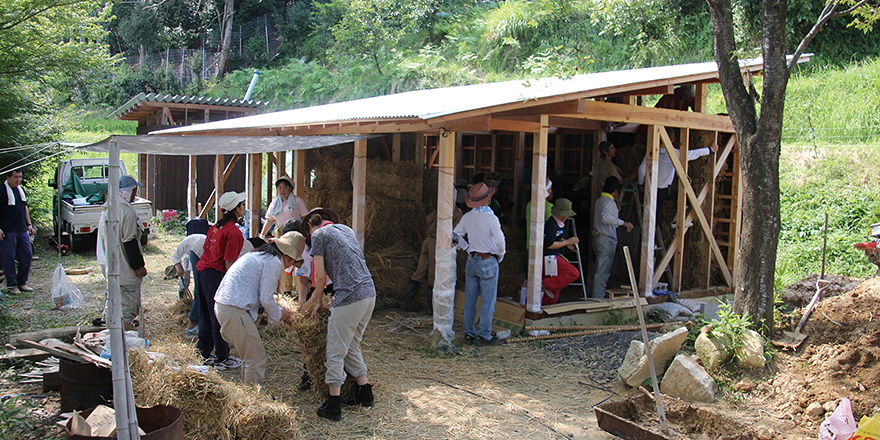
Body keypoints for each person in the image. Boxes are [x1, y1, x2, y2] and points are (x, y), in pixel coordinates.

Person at [302, 209, 377, 422]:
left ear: (309, 227)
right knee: (352, 344)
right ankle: (365, 393)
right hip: (369, 293)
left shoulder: (318, 236)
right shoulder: (345, 229)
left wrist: (317, 302)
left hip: (349, 296)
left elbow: (318, 275)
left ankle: (333, 405)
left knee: (334, 351)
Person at [214, 232, 301, 385]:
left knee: (249, 357)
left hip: (227, 306)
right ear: (288, 255)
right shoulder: (273, 262)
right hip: (234, 308)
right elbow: (266, 298)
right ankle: (253, 400)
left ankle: (249, 394)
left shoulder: (260, 255)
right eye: (292, 262)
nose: (290, 266)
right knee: (255, 357)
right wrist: (283, 315)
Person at [195, 191, 246, 370]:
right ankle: (221, 357)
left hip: (203, 271)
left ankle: (204, 351)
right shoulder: (233, 232)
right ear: (236, 209)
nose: (244, 208)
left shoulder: (216, 226)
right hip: (216, 274)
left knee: (206, 313)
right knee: (219, 315)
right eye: (242, 205)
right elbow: (229, 263)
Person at [168, 233, 254, 338]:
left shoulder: (245, 248)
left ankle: (206, 324)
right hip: (201, 255)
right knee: (201, 292)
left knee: (209, 292)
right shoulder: (191, 242)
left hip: (211, 258)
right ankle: (192, 327)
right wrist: (179, 267)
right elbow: (176, 255)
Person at [453, 182, 506, 347]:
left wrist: (466, 247)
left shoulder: (468, 217)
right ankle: (484, 335)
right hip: (488, 260)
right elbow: (500, 242)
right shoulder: (491, 219)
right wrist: (500, 255)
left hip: (472, 260)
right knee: (488, 301)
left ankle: (469, 334)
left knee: (470, 300)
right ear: (488, 199)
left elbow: (454, 235)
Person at [400, 185, 464, 313]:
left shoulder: (440, 208)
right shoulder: (456, 213)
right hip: (437, 243)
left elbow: (427, 219)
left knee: (420, 271)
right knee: (432, 274)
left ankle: (407, 302)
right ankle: (431, 308)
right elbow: (455, 233)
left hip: (427, 240)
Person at [637, 131, 718, 227]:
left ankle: (649, 241)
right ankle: (676, 220)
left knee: (653, 218)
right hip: (664, 190)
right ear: (673, 140)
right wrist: (710, 149)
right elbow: (693, 154)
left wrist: (641, 183)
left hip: (651, 189)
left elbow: (642, 169)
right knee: (686, 195)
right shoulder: (674, 153)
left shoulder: (651, 152)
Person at [97, 175, 147, 329]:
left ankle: (111, 331)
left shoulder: (110, 209)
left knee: (112, 304)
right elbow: (129, 241)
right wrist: (138, 266)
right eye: (134, 191)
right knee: (127, 307)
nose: (135, 194)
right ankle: (124, 338)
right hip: (125, 271)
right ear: (127, 192)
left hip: (112, 266)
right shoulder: (126, 212)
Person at [592, 177, 634, 299]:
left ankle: (597, 294)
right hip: (606, 239)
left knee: (600, 268)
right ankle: (598, 297)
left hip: (599, 238)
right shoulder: (608, 202)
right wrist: (623, 223)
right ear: (615, 191)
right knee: (603, 272)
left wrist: (616, 212)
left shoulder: (600, 200)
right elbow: (605, 218)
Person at [0, 169, 35, 295]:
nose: (18, 180)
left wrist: (29, 224)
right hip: (7, 230)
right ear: (8, 177)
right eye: (15, 177)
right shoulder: (2, 190)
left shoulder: (21, 190)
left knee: (27, 255)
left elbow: (24, 207)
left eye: (20, 177)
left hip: (21, 229)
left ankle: (22, 282)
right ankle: (12, 285)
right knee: (8, 258)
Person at [541, 199, 581, 306]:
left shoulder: (558, 223)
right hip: (549, 256)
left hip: (553, 257)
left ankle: (548, 307)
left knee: (556, 287)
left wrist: (570, 246)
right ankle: (546, 284)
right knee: (574, 273)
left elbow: (560, 239)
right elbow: (550, 245)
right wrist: (568, 241)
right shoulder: (551, 224)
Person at [525, 178, 553, 248]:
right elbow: (551, 226)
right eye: (550, 189)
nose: (551, 191)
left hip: (530, 243)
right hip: (542, 246)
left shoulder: (529, 204)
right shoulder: (549, 207)